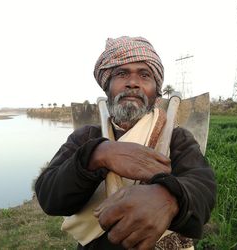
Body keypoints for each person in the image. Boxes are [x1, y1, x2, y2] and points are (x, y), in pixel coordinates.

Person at [35, 36, 216, 250]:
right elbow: (49, 196)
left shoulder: (177, 138)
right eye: (121, 74)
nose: (132, 82)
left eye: (144, 75)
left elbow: (203, 185)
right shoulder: (86, 138)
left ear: (156, 92)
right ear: (107, 87)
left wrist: (169, 199)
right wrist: (97, 156)